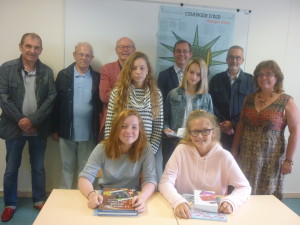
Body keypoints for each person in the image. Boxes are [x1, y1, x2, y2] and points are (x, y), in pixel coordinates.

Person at [0, 33, 57, 222]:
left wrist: (33, 121)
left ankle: (39, 200)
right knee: (11, 168)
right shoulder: (6, 69)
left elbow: (51, 98)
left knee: (39, 167)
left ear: (41, 49)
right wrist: (22, 121)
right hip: (13, 128)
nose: (33, 50)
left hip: (38, 129)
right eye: (29, 46)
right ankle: (9, 204)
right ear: (21, 47)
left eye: (37, 47)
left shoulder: (47, 72)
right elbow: (3, 97)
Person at [159, 110, 251, 219]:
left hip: (214, 214)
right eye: (195, 131)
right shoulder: (181, 150)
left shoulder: (224, 156)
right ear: (189, 133)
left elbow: (244, 187)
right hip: (183, 213)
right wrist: (177, 201)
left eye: (205, 131)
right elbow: (165, 182)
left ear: (214, 132)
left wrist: (231, 201)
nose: (199, 136)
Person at [232, 60, 300, 200]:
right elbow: (240, 125)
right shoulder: (249, 99)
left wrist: (289, 160)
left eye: (268, 74)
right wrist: (234, 150)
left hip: (271, 159)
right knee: (243, 192)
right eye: (260, 74)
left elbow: (295, 131)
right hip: (246, 157)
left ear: (277, 77)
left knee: (267, 197)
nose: (263, 77)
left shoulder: (286, 101)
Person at [78, 109, 157, 212]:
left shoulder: (146, 148)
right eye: (124, 126)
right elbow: (84, 178)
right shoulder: (102, 148)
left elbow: (151, 180)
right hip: (104, 198)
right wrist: (92, 195)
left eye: (134, 127)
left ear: (139, 130)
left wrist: (142, 197)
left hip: (132, 200)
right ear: (116, 128)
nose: (129, 131)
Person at [52, 42, 102, 189]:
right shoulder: (63, 75)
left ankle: (85, 196)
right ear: (74, 55)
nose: (84, 58)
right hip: (66, 131)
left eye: (87, 55)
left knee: (86, 168)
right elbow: (56, 104)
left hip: (89, 133)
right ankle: (64, 197)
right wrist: (54, 128)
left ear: (92, 58)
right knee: (66, 167)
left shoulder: (97, 77)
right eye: (81, 54)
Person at [105, 51, 163, 154]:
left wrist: (150, 151)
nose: (138, 72)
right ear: (128, 71)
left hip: (145, 150)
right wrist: (113, 147)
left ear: (147, 70)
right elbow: (110, 124)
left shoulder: (156, 94)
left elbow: (158, 127)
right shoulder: (118, 92)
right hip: (121, 148)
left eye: (142, 68)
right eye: (134, 68)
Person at [162, 58, 213, 168]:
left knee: (191, 176)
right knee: (170, 173)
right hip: (174, 141)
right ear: (186, 72)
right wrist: (166, 128)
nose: (194, 77)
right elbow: (165, 118)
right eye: (191, 72)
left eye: (198, 74)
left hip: (196, 143)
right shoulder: (173, 94)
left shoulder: (206, 98)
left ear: (203, 77)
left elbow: (210, 125)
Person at [209, 45, 254, 151]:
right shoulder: (216, 79)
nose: (234, 60)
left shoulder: (251, 81)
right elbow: (211, 105)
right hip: (219, 132)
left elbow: (251, 108)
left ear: (242, 60)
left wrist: (233, 124)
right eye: (231, 57)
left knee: (237, 165)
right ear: (226, 59)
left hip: (242, 132)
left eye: (238, 58)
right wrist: (223, 124)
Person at [99, 37, 136, 140]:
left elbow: (144, 96)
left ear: (134, 50)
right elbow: (104, 97)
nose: (125, 50)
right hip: (113, 121)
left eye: (129, 47)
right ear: (116, 50)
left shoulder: (140, 69)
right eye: (121, 47)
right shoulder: (106, 69)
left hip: (134, 124)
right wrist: (131, 93)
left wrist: (116, 92)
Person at [158, 39, 193, 109]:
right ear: (173, 53)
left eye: (185, 51)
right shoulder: (163, 75)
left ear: (190, 54)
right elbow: (161, 102)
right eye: (178, 51)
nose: (181, 54)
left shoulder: (197, 75)